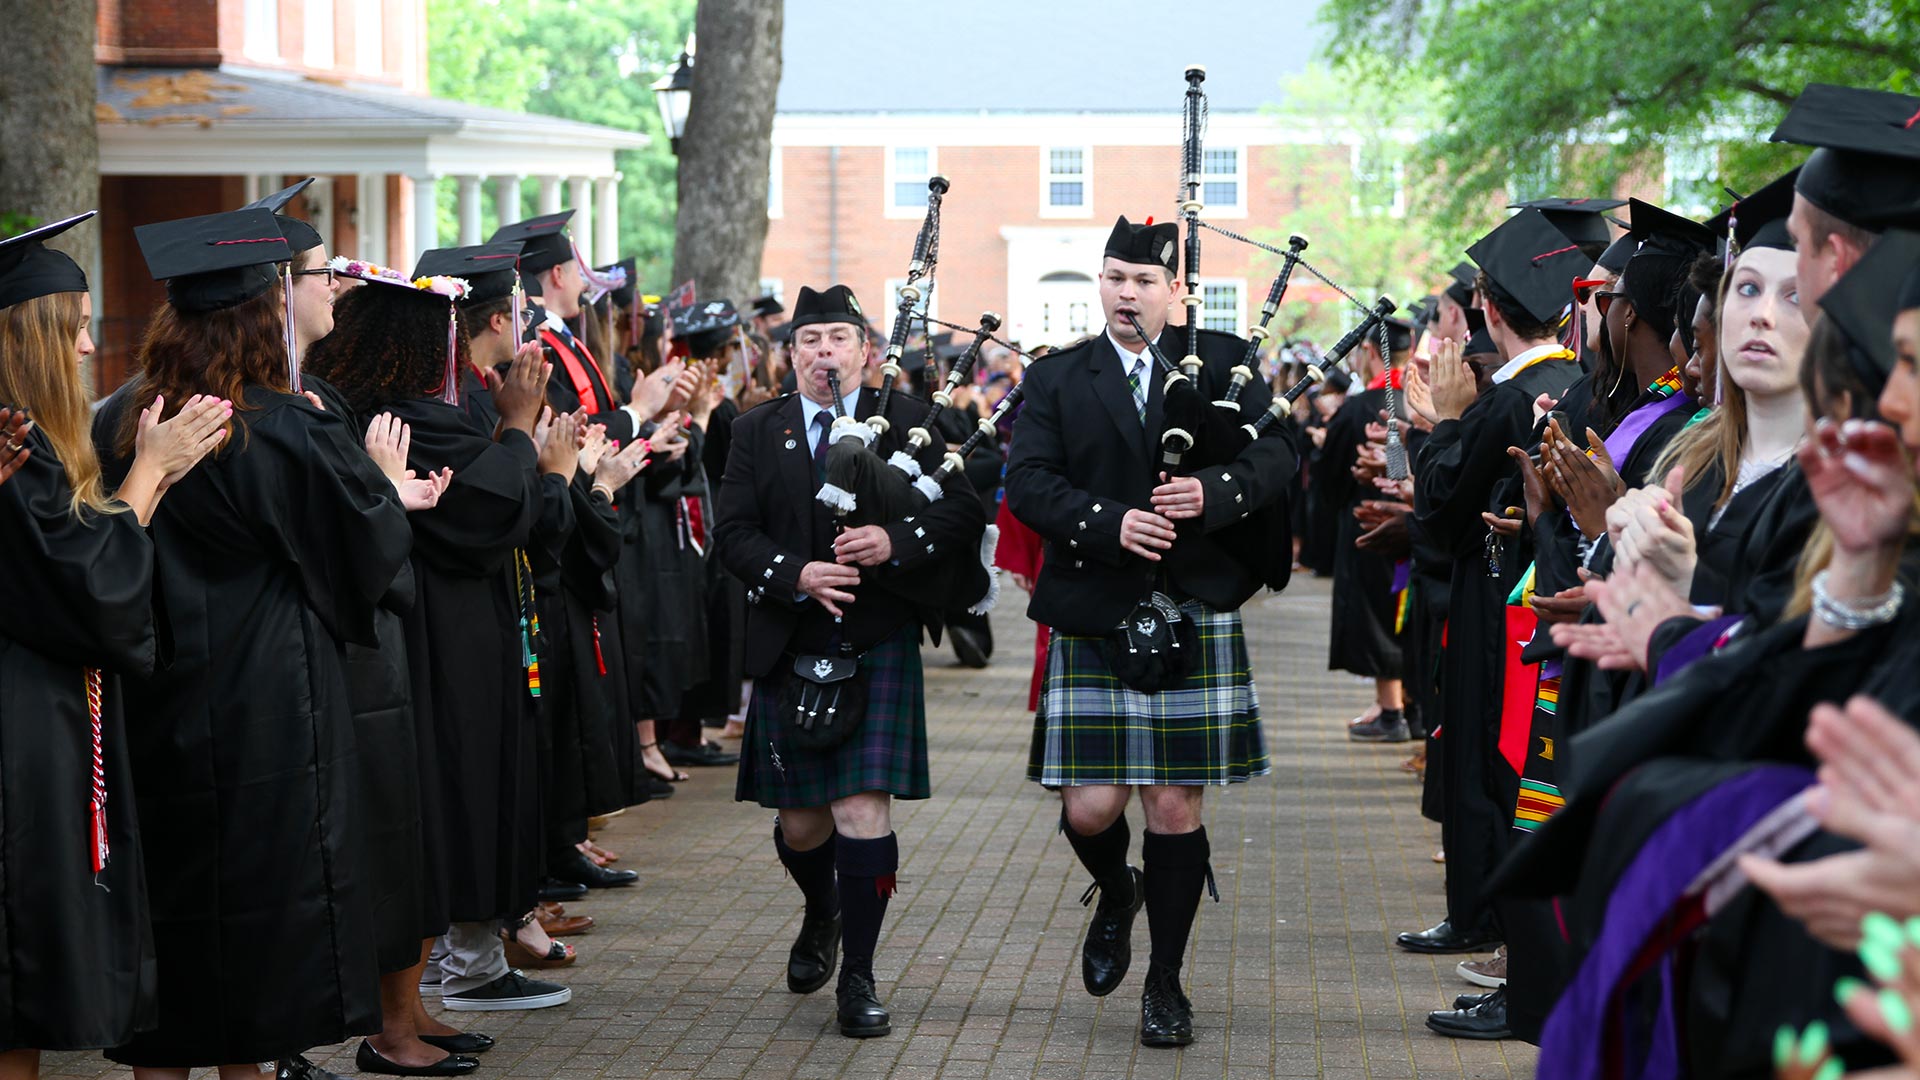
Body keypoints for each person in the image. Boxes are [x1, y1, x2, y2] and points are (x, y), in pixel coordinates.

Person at [96, 208, 413, 1078]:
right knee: (262, 948)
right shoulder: (284, 426)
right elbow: (368, 554)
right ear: (262, 315)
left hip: (155, 706)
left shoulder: (124, 421)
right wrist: (383, 485)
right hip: (271, 711)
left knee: (173, 924)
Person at [1005, 216, 1297, 1048]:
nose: (1127, 293)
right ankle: (1117, 891)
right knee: (1091, 809)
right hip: (1097, 605)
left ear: (1175, 288)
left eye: (1143, 281)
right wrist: (1109, 522)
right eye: (1114, 277)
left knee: (1174, 805)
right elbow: (1028, 482)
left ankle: (1165, 980)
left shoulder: (1227, 363)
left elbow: (1280, 458)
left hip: (1193, 605)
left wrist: (1215, 492)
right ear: (1100, 283)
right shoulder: (1059, 377)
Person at [713, 283, 986, 1039]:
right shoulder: (756, 430)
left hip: (875, 639)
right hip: (791, 638)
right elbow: (731, 534)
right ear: (791, 352)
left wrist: (895, 543)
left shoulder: (914, 421)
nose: (824, 351)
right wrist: (793, 573)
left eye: (839, 337)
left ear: (868, 349)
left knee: (861, 813)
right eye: (810, 339)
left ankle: (859, 975)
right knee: (802, 827)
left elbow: (965, 511)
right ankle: (822, 907)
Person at [0, 213, 229, 1080]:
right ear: (31, 337)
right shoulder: (15, 447)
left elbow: (86, 556)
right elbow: (87, 585)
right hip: (19, 730)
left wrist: (151, 478)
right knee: (17, 968)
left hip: (42, 715)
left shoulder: (26, 443)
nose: (93, 343)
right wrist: (148, 471)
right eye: (77, 324)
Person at [1400, 208, 1589, 1041]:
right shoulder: (1569, 386)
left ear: (1485, 303)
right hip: (1518, 593)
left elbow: (1441, 511)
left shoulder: (1506, 399)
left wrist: (1435, 424)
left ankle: (1512, 954)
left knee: (1498, 764)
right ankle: (1500, 942)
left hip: (1505, 607)